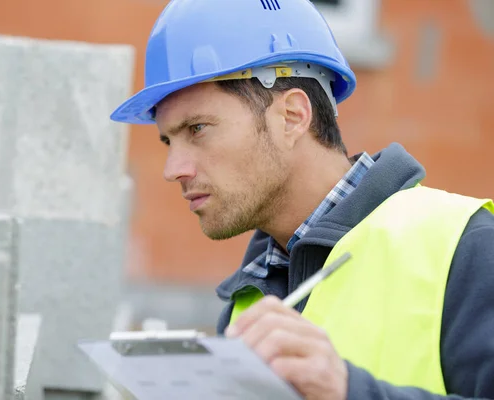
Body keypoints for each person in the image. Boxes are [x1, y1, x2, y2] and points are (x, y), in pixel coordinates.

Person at [109, 0, 494, 398]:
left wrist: (347, 390)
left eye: (198, 128)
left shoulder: (466, 246)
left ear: (292, 116)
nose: (173, 168)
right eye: (169, 140)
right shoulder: (248, 299)